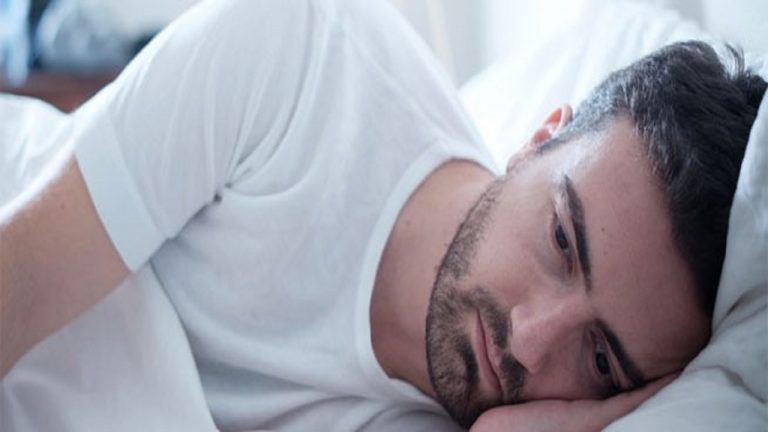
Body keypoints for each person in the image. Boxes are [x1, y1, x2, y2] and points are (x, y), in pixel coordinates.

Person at [1, 0, 765, 430]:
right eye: (562, 240)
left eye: (599, 361)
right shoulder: (302, 58)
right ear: (538, 139)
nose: (530, 340)